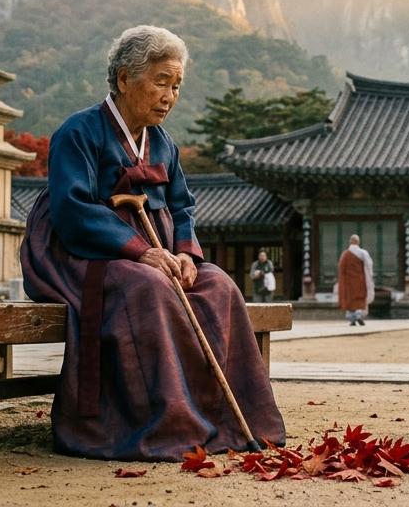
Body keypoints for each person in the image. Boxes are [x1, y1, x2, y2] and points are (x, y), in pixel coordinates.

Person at [21, 25, 286, 461]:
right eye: (162, 81)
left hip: (157, 252)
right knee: (148, 287)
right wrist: (140, 251)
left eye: (177, 85)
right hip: (84, 252)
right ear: (125, 79)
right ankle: (165, 424)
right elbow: (73, 211)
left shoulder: (163, 143)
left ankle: (222, 420)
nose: (170, 95)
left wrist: (183, 253)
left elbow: (182, 207)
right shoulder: (78, 132)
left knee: (218, 285)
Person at [336, 234, 374, 326]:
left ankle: (352, 319)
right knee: (360, 298)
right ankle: (359, 315)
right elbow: (369, 265)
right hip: (360, 280)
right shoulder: (363, 253)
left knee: (350, 299)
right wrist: (369, 278)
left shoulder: (345, 254)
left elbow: (341, 268)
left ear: (350, 242)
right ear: (358, 242)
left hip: (348, 282)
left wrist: (342, 281)